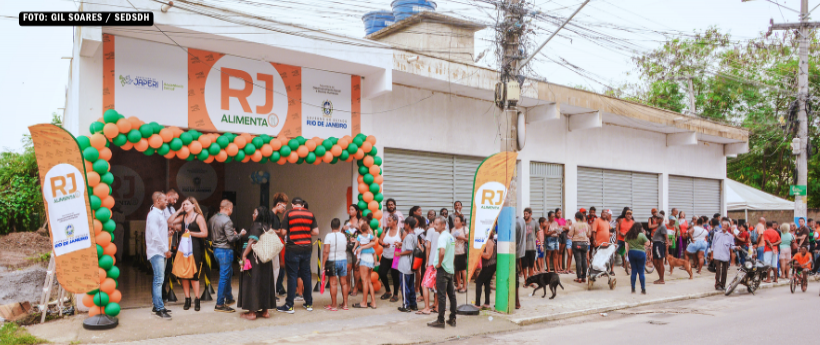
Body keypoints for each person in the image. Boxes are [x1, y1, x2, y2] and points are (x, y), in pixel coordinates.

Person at [277, 197, 319, 314]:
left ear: (292, 205)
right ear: (302, 205)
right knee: (306, 275)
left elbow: (283, 232)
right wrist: (305, 231)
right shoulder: (310, 214)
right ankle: (309, 303)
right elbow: (316, 232)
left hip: (293, 248)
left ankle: (289, 305)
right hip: (307, 248)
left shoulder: (289, 213)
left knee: (292, 276)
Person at [168, 197, 209, 312]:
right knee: (183, 275)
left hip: (194, 248)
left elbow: (205, 233)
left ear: (193, 205)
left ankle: (197, 299)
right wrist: (179, 210)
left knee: (194, 274)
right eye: (183, 204)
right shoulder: (183, 217)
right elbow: (169, 222)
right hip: (182, 248)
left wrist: (191, 233)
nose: (185, 206)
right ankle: (187, 299)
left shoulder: (198, 217)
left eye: (187, 204)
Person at [237, 207, 277, 320]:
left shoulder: (256, 225)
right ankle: (265, 311)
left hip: (254, 259)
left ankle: (252, 312)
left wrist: (244, 255)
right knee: (263, 282)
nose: (253, 215)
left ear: (259, 215)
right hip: (265, 260)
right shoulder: (266, 226)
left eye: (255, 213)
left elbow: (252, 240)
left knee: (252, 282)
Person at [209, 200, 246, 313]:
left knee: (228, 273)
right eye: (232, 209)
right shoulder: (227, 220)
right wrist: (240, 234)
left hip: (216, 249)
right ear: (229, 208)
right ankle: (219, 304)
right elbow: (231, 239)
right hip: (225, 250)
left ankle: (229, 297)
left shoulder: (212, 218)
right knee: (224, 276)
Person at [146, 192, 172, 319]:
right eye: (165, 199)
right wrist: (166, 249)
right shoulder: (154, 215)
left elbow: (158, 234)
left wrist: (167, 234)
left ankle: (157, 305)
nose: (167, 202)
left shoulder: (159, 214)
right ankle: (159, 309)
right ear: (157, 201)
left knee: (159, 280)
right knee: (158, 280)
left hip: (160, 251)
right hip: (157, 252)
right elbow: (155, 236)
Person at [427, 217, 456, 329]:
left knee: (441, 296)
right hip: (450, 269)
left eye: (437, 224)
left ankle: (440, 320)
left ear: (443, 225)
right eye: (434, 224)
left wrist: (439, 264)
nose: (435, 226)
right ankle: (452, 318)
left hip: (443, 270)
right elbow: (452, 253)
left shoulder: (442, 237)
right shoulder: (450, 236)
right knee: (452, 295)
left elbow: (442, 252)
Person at [322, 218, 349, 311]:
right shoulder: (343, 236)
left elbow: (326, 251)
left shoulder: (328, 236)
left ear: (331, 226)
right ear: (339, 226)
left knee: (333, 283)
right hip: (343, 260)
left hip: (332, 261)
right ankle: (345, 304)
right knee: (344, 283)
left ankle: (334, 305)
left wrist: (323, 264)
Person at [419, 213, 441, 315]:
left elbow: (428, 246)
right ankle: (437, 305)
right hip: (441, 263)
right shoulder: (445, 232)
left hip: (432, 262)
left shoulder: (431, 231)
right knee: (437, 284)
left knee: (424, 284)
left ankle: (427, 308)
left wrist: (427, 261)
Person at [159, 189, 178, 303]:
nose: (175, 202)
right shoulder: (159, 209)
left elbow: (174, 221)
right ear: (169, 195)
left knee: (167, 270)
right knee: (160, 272)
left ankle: (163, 292)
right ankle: (159, 296)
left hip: (170, 242)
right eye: (174, 199)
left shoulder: (172, 209)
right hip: (161, 243)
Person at [378, 214, 403, 302]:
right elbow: (380, 240)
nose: (387, 222)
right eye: (387, 220)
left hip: (395, 257)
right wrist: (384, 244)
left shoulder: (401, 231)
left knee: (395, 276)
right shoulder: (386, 229)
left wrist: (399, 244)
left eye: (389, 220)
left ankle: (395, 294)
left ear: (395, 221)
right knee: (381, 273)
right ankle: (388, 291)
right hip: (385, 256)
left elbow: (405, 242)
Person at [397, 217, 419, 312]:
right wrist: (402, 244)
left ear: (408, 225)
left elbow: (409, 250)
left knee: (404, 286)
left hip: (405, 265)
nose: (404, 226)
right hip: (411, 265)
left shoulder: (409, 236)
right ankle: (413, 304)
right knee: (410, 286)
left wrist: (399, 253)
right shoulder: (414, 235)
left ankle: (406, 305)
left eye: (405, 224)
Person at [353, 222, 377, 309]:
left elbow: (372, 243)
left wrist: (358, 247)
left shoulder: (361, 237)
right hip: (370, 259)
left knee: (364, 281)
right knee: (369, 281)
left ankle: (364, 302)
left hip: (364, 259)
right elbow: (374, 242)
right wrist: (375, 234)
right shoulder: (370, 236)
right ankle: (373, 302)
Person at [271, 193, 288, 296]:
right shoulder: (270, 215)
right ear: (278, 204)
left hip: (276, 247)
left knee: (277, 270)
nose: (284, 209)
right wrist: (279, 231)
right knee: (273, 271)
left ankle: (274, 292)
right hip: (271, 247)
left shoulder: (276, 218)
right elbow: (267, 229)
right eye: (283, 207)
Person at [624, 222, 649, 294]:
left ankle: (633, 289)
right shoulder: (641, 235)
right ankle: (643, 289)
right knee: (641, 272)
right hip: (641, 253)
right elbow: (648, 243)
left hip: (631, 253)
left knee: (634, 271)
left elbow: (626, 245)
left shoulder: (629, 234)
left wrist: (628, 253)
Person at [344, 204, 363, 297]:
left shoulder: (360, 221)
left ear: (356, 211)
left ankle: (355, 287)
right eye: (349, 209)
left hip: (357, 247)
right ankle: (348, 286)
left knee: (356, 267)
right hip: (347, 247)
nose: (350, 211)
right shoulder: (346, 221)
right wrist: (343, 229)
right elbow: (343, 233)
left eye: (352, 209)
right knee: (348, 268)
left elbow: (365, 232)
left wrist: (357, 227)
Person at [474, 228, 496, 310]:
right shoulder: (488, 241)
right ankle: (487, 303)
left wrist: (479, 252)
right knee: (487, 283)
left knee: (479, 282)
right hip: (489, 265)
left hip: (489, 265)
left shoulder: (489, 242)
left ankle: (477, 304)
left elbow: (488, 256)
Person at [567, 212, 591, 283]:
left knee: (578, 260)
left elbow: (570, 234)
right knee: (584, 260)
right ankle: (584, 277)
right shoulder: (586, 225)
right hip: (585, 243)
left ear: (576, 218)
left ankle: (579, 277)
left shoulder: (574, 224)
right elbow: (588, 234)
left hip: (576, 243)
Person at [710, 221, 734, 291]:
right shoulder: (717, 234)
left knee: (724, 271)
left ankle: (723, 284)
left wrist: (732, 257)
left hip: (725, 255)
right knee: (718, 271)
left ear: (728, 227)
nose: (723, 226)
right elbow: (713, 244)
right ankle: (717, 284)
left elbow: (731, 247)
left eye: (725, 225)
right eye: (723, 225)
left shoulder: (730, 236)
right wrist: (712, 255)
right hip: (717, 255)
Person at [451, 214, 469, 293]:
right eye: (454, 220)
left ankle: (464, 286)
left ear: (461, 222)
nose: (455, 222)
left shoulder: (465, 229)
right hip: (454, 252)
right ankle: (458, 285)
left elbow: (469, 240)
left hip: (462, 252)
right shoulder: (453, 229)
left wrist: (462, 238)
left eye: (457, 220)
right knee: (456, 270)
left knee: (463, 270)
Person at [521, 208, 538, 285]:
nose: (525, 215)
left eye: (527, 214)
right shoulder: (521, 221)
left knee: (531, 265)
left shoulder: (534, 222)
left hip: (532, 247)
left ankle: (530, 281)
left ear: (530, 214)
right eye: (524, 214)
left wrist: (540, 244)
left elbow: (538, 232)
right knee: (524, 265)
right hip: (523, 248)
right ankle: (525, 280)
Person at [615, 208, 634, 274]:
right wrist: (620, 233)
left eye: (630, 214)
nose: (629, 215)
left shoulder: (633, 222)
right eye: (627, 214)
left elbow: (634, 231)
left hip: (628, 240)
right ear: (625, 215)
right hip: (620, 239)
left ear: (631, 216)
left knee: (629, 253)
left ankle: (627, 266)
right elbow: (617, 229)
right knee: (615, 251)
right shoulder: (621, 220)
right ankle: (611, 267)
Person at [650, 214, 668, 284]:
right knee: (655, 262)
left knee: (660, 262)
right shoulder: (659, 226)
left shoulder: (663, 226)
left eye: (657, 218)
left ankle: (662, 279)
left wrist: (666, 249)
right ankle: (660, 277)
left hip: (659, 244)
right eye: (656, 218)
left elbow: (666, 238)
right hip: (655, 244)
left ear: (661, 219)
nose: (656, 220)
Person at [555, 208, 571, 274]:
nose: (559, 214)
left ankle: (561, 267)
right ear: (556, 213)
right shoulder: (555, 220)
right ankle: (557, 267)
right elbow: (557, 229)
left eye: (560, 213)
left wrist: (562, 227)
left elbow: (567, 228)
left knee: (561, 251)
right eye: (558, 213)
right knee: (557, 251)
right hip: (558, 235)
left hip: (564, 235)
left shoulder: (563, 220)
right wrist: (562, 227)